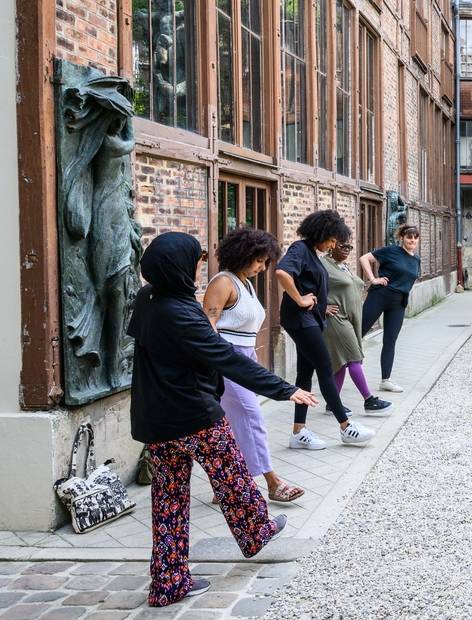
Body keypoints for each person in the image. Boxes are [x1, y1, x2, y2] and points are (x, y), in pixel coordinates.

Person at [129, 232, 318, 606]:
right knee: (232, 480)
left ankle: (168, 583)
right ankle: (257, 533)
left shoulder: (147, 299)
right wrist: (284, 389)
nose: (199, 268)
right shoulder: (183, 314)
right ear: (177, 265)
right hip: (195, 418)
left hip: (157, 421)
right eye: (195, 262)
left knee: (168, 502)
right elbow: (227, 359)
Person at [202, 228, 304, 502]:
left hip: (245, 357)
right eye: (258, 260)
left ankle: (223, 487)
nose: (262, 266)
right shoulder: (223, 282)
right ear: (241, 254)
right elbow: (207, 327)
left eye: (265, 261)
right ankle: (272, 483)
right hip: (228, 360)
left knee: (234, 425)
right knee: (252, 417)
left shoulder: (244, 282)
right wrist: (223, 361)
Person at [276, 210, 376, 449]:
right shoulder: (300, 249)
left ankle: (298, 433)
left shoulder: (311, 252)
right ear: (320, 233)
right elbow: (281, 272)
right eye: (331, 239)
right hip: (302, 319)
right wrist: (300, 299)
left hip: (309, 320)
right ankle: (345, 426)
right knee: (325, 367)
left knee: (304, 375)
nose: (333, 244)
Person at [321, 239, 393, 416]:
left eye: (349, 247)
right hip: (336, 319)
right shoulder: (323, 264)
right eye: (342, 246)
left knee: (341, 362)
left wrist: (373, 281)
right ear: (331, 246)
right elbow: (305, 286)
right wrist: (320, 307)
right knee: (353, 357)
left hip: (351, 319)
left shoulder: (343, 265)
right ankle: (369, 400)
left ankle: (332, 403)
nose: (347, 250)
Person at [359, 224, 421, 394]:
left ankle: (385, 380)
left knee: (390, 340)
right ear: (402, 238)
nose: (412, 240)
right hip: (380, 296)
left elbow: (411, 277)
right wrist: (373, 279)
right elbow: (364, 258)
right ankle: (336, 369)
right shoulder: (391, 251)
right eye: (409, 237)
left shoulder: (416, 259)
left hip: (399, 303)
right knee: (357, 334)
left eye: (415, 237)